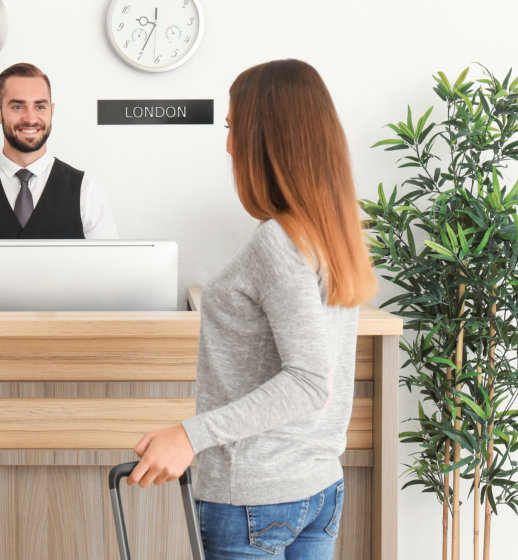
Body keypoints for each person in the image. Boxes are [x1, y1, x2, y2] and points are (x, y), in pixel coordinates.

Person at [126, 59, 377, 559]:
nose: (227, 144)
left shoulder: (278, 242)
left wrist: (188, 436)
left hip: (254, 498)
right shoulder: (330, 231)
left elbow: (308, 381)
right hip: (319, 487)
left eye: (232, 127)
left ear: (267, 138)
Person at [0, 62, 118, 239]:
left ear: (51, 111)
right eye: (18, 107)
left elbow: (106, 267)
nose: (31, 119)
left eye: (40, 107)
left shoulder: (87, 191)